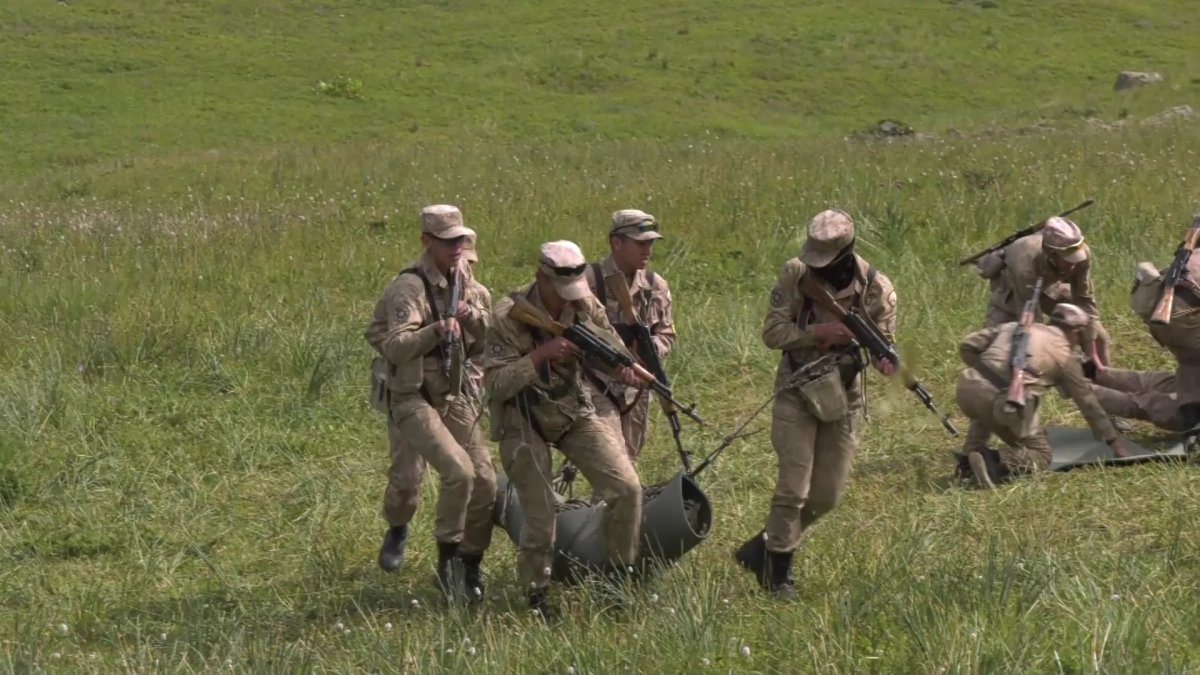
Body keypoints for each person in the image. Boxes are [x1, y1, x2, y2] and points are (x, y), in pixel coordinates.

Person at [734, 209, 898, 599]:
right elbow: (772, 332)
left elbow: (885, 345)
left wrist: (884, 359)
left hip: (844, 396)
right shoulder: (795, 274)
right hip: (795, 388)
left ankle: (763, 545)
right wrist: (818, 333)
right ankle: (777, 572)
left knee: (826, 496)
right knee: (793, 488)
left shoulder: (876, 289)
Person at [484, 240, 644, 622]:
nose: (570, 299)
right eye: (561, 289)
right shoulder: (507, 316)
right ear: (541, 277)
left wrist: (623, 368)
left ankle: (617, 578)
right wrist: (541, 355)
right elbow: (493, 385)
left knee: (627, 489)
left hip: (572, 411)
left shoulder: (585, 304)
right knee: (541, 516)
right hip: (521, 419)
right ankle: (537, 596)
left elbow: (612, 347)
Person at [364, 204, 497, 602]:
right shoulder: (409, 288)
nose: (458, 247)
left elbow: (491, 338)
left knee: (484, 479)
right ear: (427, 242)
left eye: (461, 239)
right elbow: (394, 345)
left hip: (455, 392)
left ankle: (463, 563)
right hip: (411, 395)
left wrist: (472, 317)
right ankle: (400, 528)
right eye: (448, 240)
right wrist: (436, 331)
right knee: (409, 484)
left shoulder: (470, 283)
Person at [955, 303, 1130, 489]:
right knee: (1041, 454)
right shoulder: (1064, 356)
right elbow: (1088, 403)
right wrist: (1115, 443)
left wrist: (984, 371)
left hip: (966, 388)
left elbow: (968, 345)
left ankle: (968, 461)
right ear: (1076, 332)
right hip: (1003, 403)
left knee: (984, 412)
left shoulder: (1013, 326)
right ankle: (991, 459)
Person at [585, 209, 677, 461]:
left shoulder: (655, 285)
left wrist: (648, 352)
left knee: (628, 457)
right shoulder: (588, 282)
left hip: (636, 389)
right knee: (614, 464)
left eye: (650, 243)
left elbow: (667, 332)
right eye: (640, 243)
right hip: (595, 383)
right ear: (617, 243)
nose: (647, 250)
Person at [1118, 258, 1200, 448]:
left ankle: (1092, 379)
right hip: (1182, 315)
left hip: (1163, 314)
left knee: (1191, 363)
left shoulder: (1193, 255)